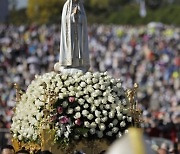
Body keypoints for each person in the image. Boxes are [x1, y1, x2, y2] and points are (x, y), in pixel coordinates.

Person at [54, 0, 90, 73]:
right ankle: (68, 63)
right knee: (71, 47)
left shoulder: (81, 5)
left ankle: (78, 63)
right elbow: (65, 19)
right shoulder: (67, 5)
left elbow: (84, 19)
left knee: (78, 47)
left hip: (79, 31)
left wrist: (79, 16)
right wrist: (73, 15)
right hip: (70, 32)